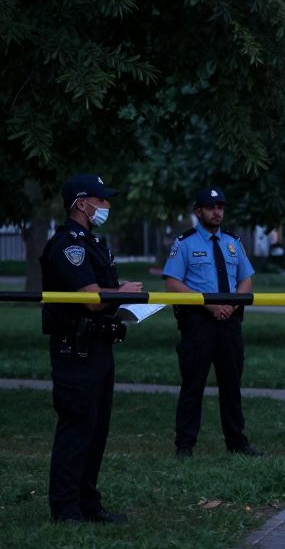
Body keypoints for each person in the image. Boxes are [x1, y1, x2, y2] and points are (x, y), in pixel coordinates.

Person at [40, 174, 143, 523]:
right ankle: (66, 509)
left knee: (97, 429)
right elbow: (91, 299)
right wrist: (124, 293)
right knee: (77, 428)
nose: (106, 206)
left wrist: (123, 299)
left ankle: (88, 503)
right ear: (81, 203)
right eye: (100, 200)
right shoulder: (68, 245)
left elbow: (105, 296)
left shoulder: (93, 243)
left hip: (99, 346)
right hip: (76, 349)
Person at [162, 188, 262, 458]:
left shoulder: (233, 242)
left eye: (220, 207)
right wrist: (210, 304)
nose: (217, 212)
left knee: (231, 385)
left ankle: (237, 443)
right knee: (193, 385)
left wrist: (230, 305)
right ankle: (185, 446)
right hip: (198, 323)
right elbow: (173, 283)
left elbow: (246, 279)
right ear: (198, 212)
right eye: (210, 207)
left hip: (229, 323)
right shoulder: (185, 243)